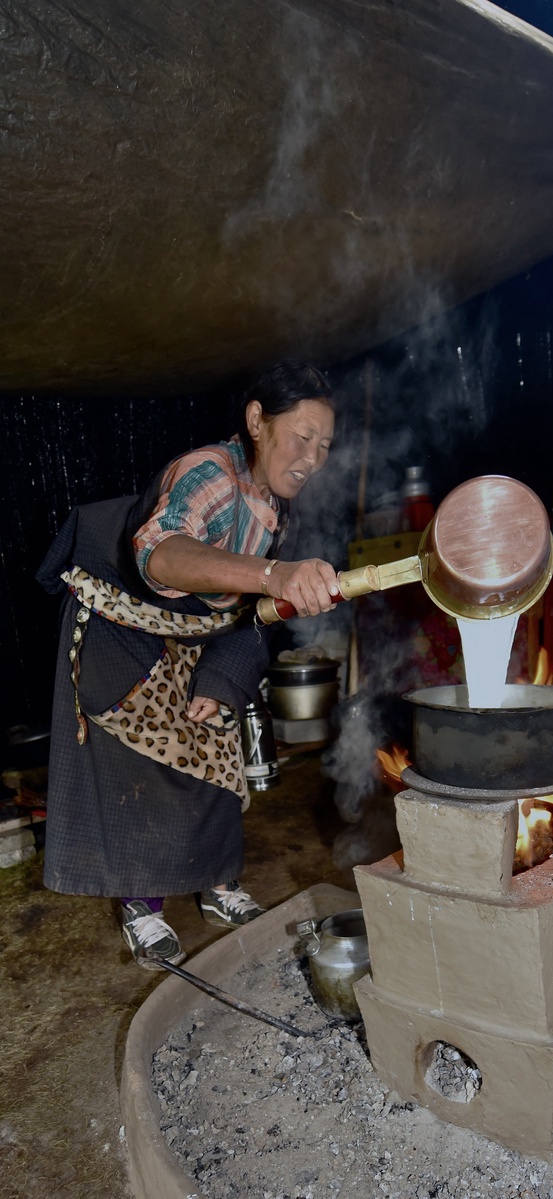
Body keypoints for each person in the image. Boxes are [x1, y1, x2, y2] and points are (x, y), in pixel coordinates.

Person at [37, 360, 338, 969]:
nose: (312, 457)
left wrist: (224, 678)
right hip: (118, 626)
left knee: (216, 751)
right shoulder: (209, 472)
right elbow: (162, 556)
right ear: (258, 420)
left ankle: (218, 884)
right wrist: (274, 574)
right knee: (144, 764)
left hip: (194, 636)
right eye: (302, 436)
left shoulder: (278, 510)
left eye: (325, 445)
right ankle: (142, 909)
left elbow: (256, 615)